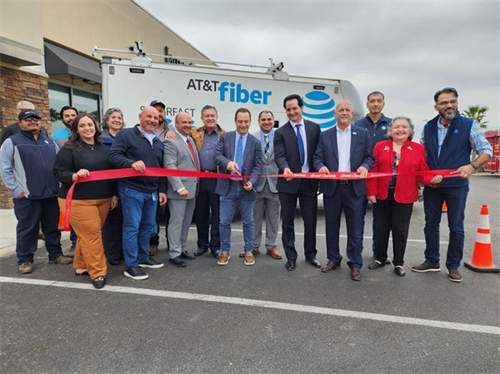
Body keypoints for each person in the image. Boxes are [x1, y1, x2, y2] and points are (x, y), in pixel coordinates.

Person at [411, 87, 492, 282]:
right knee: (431, 224)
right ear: (436, 106)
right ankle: (431, 260)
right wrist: (425, 177)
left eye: (452, 101)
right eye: (444, 102)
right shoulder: (428, 127)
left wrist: (472, 166)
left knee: (456, 226)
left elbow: (486, 149)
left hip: (457, 185)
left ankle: (453, 265)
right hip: (433, 186)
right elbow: (423, 155)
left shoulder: (468, 125)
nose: (449, 105)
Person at [366, 117, 442, 277]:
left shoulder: (417, 149)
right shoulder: (380, 146)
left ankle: (398, 263)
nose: (400, 130)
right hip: (381, 194)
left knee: (400, 231)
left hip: (405, 195)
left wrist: (432, 180)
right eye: (396, 127)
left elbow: (422, 171)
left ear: (410, 131)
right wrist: (371, 192)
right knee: (381, 228)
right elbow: (373, 169)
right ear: (390, 130)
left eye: (404, 127)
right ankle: (380, 258)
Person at [0, 109, 72, 274]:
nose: (33, 122)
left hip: (51, 194)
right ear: (20, 123)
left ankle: (55, 255)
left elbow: (57, 166)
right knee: (28, 228)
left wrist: (59, 186)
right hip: (27, 197)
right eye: (28, 119)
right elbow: (5, 169)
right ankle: (25, 259)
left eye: (36, 119)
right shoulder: (12, 142)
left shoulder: (49, 142)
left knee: (52, 227)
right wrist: (17, 191)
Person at [54, 114, 118, 289]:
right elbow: (58, 171)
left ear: (96, 127)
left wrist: (114, 194)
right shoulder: (69, 148)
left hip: (103, 198)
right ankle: (98, 272)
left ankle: (81, 265)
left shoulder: (102, 147)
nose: (87, 128)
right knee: (93, 236)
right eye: (82, 126)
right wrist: (73, 175)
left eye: (90, 124)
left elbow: (110, 173)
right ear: (76, 129)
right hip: (78, 200)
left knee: (87, 236)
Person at [313, 100, 373, 281]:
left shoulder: (362, 134)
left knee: (355, 228)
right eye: (341, 110)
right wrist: (321, 166)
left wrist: (364, 166)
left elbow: (369, 157)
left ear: (351, 113)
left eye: (347, 109)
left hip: (354, 189)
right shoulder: (326, 135)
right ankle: (333, 259)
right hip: (333, 188)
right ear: (335, 114)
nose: (344, 113)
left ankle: (355, 264)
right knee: (331, 226)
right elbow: (317, 157)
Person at [109, 106, 167, 280]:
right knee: (132, 228)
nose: (152, 120)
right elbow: (113, 156)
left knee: (147, 227)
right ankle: (131, 265)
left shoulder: (158, 141)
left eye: (155, 118)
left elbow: (160, 168)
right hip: (131, 189)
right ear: (140, 116)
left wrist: (162, 190)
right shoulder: (126, 135)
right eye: (148, 116)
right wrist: (130, 163)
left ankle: (143, 257)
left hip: (152, 191)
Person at [274, 94, 321, 271]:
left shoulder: (315, 129)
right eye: (288, 109)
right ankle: (291, 257)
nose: (292, 112)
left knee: (310, 221)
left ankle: (311, 255)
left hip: (309, 183)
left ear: (302, 108)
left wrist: (319, 173)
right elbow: (280, 155)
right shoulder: (280, 132)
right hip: (288, 183)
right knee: (287, 222)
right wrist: (284, 167)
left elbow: (318, 154)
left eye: (295, 108)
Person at [215, 108, 262, 266]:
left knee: (248, 222)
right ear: (235, 121)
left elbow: (258, 166)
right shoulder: (225, 137)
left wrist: (252, 182)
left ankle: (249, 251)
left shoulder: (255, 142)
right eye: (240, 121)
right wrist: (227, 163)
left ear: (250, 122)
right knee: (224, 222)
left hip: (246, 189)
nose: (243, 124)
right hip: (227, 187)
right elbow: (217, 155)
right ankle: (225, 251)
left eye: (246, 121)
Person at [354, 91, 393, 259]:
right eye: (372, 101)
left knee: (381, 221)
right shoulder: (358, 124)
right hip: (361, 178)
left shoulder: (392, 125)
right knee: (358, 219)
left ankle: (379, 255)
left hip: (382, 180)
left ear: (383, 103)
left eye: (379, 101)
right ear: (367, 104)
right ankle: (357, 254)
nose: (375, 104)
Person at [164, 112, 199, 267]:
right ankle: (174, 253)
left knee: (186, 222)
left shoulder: (190, 139)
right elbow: (170, 165)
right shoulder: (170, 141)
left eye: (189, 122)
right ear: (176, 124)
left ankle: (183, 248)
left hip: (193, 188)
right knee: (176, 222)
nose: (187, 125)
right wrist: (179, 187)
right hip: (179, 190)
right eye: (183, 122)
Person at [191, 105, 225, 258]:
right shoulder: (194, 133)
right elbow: (179, 134)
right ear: (202, 118)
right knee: (201, 213)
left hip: (217, 178)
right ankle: (202, 245)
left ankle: (215, 246)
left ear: (217, 117)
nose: (210, 118)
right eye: (207, 116)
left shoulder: (224, 135)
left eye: (212, 115)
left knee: (217, 214)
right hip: (200, 179)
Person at [248, 110, 282, 260]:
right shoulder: (252, 137)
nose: (266, 122)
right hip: (257, 184)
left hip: (275, 184)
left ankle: (271, 246)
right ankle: (253, 246)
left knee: (273, 218)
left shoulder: (280, 137)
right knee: (254, 217)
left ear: (273, 121)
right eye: (263, 119)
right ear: (258, 121)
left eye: (269, 119)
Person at [99, 107, 125, 265]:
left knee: (125, 220)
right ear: (107, 121)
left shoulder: (126, 138)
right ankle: (113, 254)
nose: (117, 120)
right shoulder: (101, 141)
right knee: (111, 222)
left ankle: (122, 251)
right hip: (109, 186)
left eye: (120, 118)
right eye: (113, 117)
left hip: (126, 184)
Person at [148, 99, 172, 255]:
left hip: (170, 180)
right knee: (153, 214)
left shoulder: (172, 132)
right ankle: (152, 242)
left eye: (161, 111)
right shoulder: (144, 132)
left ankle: (173, 244)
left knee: (171, 214)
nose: (158, 114)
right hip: (153, 179)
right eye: (155, 111)